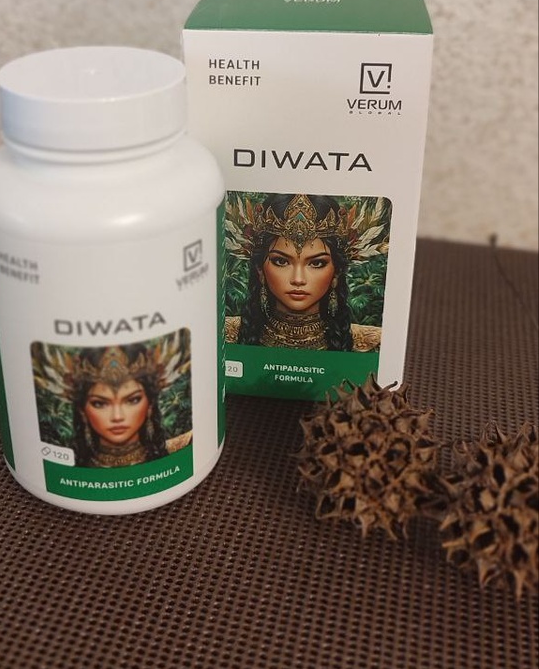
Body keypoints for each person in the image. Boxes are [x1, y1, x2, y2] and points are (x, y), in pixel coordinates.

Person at [225, 193, 388, 351]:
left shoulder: (375, 345)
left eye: (316, 263)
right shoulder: (223, 335)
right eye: (281, 261)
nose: (298, 279)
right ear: (260, 270)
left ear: (336, 273)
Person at [72, 341, 191, 468]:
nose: (117, 416)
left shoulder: (181, 448)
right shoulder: (71, 465)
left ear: (150, 405)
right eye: (99, 403)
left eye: (133, 400)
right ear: (82, 411)